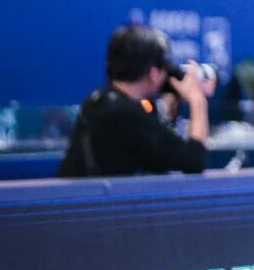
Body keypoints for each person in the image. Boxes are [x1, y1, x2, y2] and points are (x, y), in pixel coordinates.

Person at [58, 26, 212, 177]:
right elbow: (193, 161)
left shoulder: (98, 100)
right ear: (154, 73)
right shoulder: (127, 114)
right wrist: (197, 99)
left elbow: (155, 151)